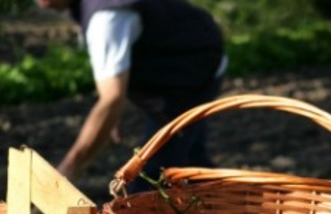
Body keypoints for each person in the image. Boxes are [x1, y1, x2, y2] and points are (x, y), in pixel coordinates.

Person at [38, 0, 227, 192]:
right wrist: (112, 114)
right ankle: (227, 208)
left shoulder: (106, 18)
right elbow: (115, 84)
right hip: (189, 55)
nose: (40, 3)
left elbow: (111, 98)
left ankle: (229, 208)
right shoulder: (101, 10)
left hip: (192, 70)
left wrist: (70, 167)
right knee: (190, 160)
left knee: (154, 177)